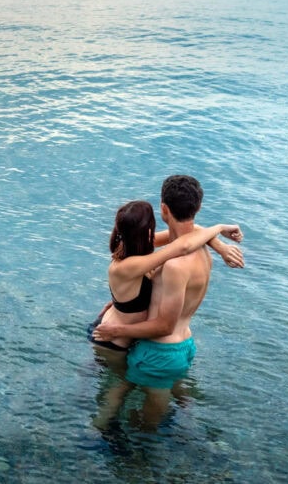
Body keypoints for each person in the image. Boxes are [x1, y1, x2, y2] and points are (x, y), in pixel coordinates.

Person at [92, 175, 239, 429]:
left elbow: (183, 242)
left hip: (154, 349)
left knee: (123, 391)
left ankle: (107, 436)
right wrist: (219, 236)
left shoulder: (167, 262)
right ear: (199, 207)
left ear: (164, 209)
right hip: (180, 345)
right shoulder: (200, 256)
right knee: (124, 387)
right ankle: (105, 431)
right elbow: (185, 241)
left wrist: (219, 237)